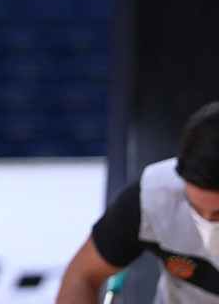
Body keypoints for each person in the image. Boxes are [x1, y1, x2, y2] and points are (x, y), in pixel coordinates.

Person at [56, 101, 219, 304]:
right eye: (195, 208)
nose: (206, 222)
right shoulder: (153, 197)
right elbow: (82, 276)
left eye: (218, 214)